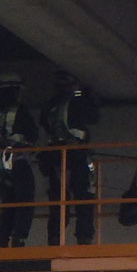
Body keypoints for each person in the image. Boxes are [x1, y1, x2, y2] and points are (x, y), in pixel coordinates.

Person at [40, 70, 101, 246]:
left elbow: (43, 123)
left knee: (59, 198)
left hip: (55, 155)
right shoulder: (77, 102)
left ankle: (55, 237)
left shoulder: (50, 105)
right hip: (76, 153)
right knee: (83, 195)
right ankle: (84, 237)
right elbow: (93, 117)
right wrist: (90, 98)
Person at [0, 73, 39, 248]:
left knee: (8, 204)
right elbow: (32, 134)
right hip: (19, 163)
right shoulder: (19, 110)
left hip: (0, 167)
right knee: (25, 200)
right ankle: (19, 238)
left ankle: (2, 239)